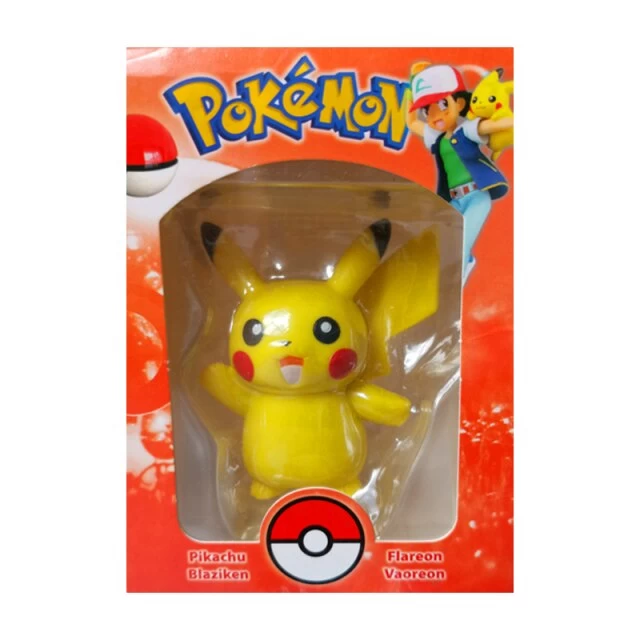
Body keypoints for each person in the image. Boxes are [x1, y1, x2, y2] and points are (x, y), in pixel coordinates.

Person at [405, 63, 513, 282]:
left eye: (443, 104)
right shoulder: (436, 138)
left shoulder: (466, 130)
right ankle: (459, 268)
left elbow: (493, 126)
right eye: (428, 110)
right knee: (440, 241)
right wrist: (411, 88)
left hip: (476, 196)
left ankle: (456, 280)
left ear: (460, 103)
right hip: (453, 200)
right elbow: (411, 122)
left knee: (460, 243)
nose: (436, 115)